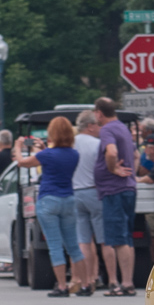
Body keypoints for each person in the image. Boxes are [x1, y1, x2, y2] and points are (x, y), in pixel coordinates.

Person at [13, 117, 83, 296]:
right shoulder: (74, 154)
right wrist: (44, 150)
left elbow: (22, 163)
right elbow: (55, 161)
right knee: (73, 245)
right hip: (68, 199)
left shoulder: (47, 155)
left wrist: (18, 146)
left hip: (49, 199)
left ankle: (61, 286)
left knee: (54, 245)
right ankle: (81, 282)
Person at [94, 97, 138, 297]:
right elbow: (136, 155)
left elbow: (111, 152)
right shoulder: (123, 128)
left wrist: (114, 169)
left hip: (114, 189)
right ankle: (128, 282)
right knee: (127, 237)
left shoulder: (107, 130)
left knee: (118, 238)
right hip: (128, 188)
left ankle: (125, 283)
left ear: (99, 113)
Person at [70, 111, 106, 295]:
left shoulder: (71, 144)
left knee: (83, 240)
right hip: (94, 190)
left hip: (75, 191)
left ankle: (85, 280)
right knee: (103, 239)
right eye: (98, 126)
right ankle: (99, 277)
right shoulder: (98, 144)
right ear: (91, 126)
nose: (100, 129)